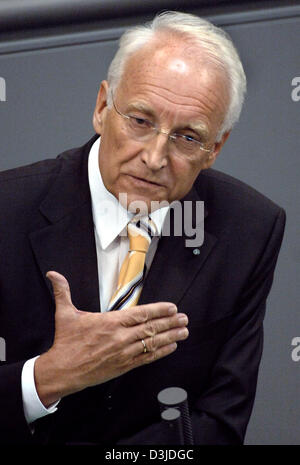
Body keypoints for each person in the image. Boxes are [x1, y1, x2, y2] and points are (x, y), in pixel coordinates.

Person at [0, 11, 285, 445]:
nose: (155, 157)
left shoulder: (250, 227)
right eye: (140, 120)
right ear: (101, 108)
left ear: (216, 148)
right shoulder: (7, 209)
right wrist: (47, 377)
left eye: (187, 137)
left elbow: (221, 420)